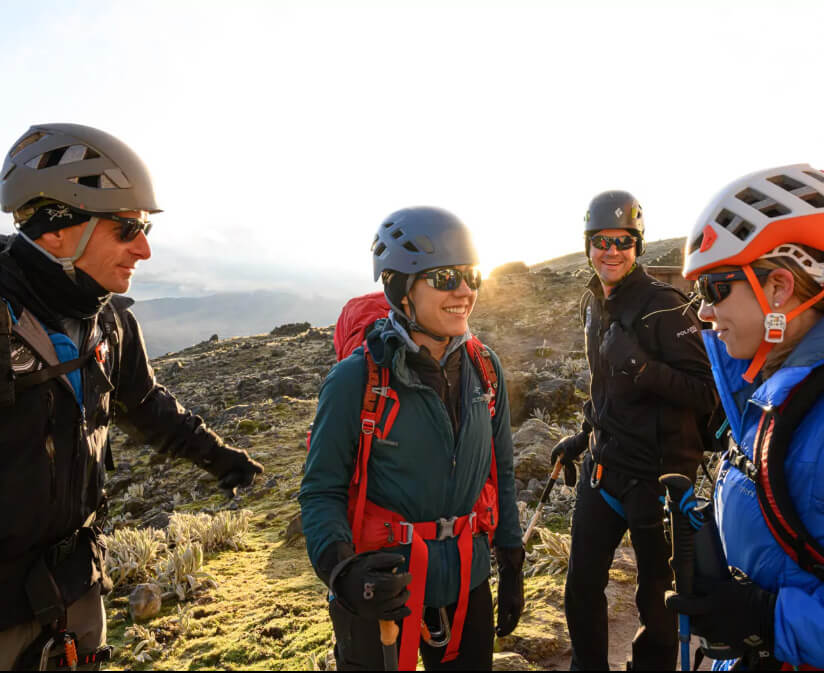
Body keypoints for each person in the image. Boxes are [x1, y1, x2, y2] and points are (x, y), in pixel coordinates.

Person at [0, 123, 264, 669]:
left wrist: (224, 460)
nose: (143, 249)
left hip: (75, 585)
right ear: (56, 229)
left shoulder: (111, 324)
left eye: (144, 228)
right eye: (126, 229)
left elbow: (147, 407)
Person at [666, 164, 824, 670]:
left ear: (779, 288)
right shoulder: (779, 384)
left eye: (715, 289)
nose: (703, 312)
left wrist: (771, 622)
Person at [299, 206, 524, 670]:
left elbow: (500, 468)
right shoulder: (354, 381)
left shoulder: (485, 370)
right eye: (444, 277)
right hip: (379, 589)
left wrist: (510, 551)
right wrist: (343, 572)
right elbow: (321, 491)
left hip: (467, 579)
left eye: (471, 275)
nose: (464, 291)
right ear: (401, 289)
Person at [550, 190, 717, 670]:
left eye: (623, 241)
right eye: (601, 240)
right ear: (588, 245)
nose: (611, 250)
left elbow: (706, 392)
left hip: (660, 478)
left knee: (657, 601)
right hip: (604, 469)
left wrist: (642, 367)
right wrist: (582, 435)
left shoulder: (665, 305)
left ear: (637, 246)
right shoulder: (592, 300)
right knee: (581, 585)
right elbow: (606, 388)